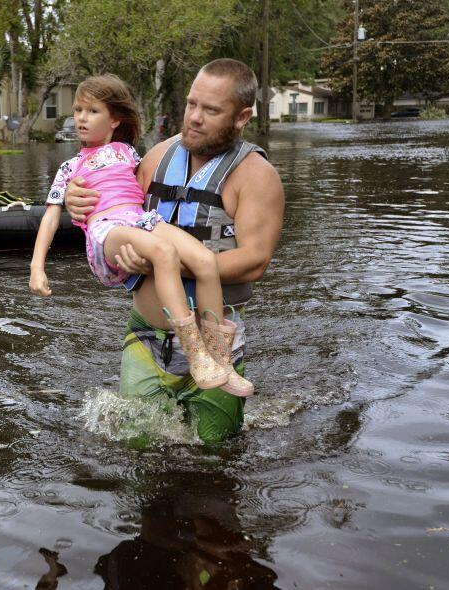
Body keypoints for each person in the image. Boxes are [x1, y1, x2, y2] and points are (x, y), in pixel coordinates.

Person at [64, 59, 285, 443]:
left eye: (211, 110)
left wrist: (167, 264)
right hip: (146, 336)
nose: (195, 118)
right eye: (191, 104)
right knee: (138, 447)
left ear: (242, 117)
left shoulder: (256, 175)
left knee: (216, 452)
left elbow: (255, 261)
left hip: (215, 347)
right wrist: (74, 201)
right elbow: (112, 217)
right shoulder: (156, 158)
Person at [29, 74, 252, 397]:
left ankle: (220, 360)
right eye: (78, 110)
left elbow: (144, 181)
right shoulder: (69, 168)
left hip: (140, 219)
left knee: (205, 260)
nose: (80, 117)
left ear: (115, 120)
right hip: (108, 230)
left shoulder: (130, 155)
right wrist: (38, 266)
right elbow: (50, 216)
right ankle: (196, 354)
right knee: (164, 252)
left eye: (92, 111)